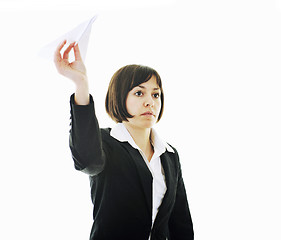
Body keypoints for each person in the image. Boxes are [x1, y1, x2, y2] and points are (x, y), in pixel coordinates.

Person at [54, 40, 194, 240]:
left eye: (156, 95)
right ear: (119, 97)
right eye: (139, 93)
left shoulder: (170, 154)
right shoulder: (105, 142)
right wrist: (81, 84)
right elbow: (86, 161)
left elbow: (180, 223)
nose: (150, 102)